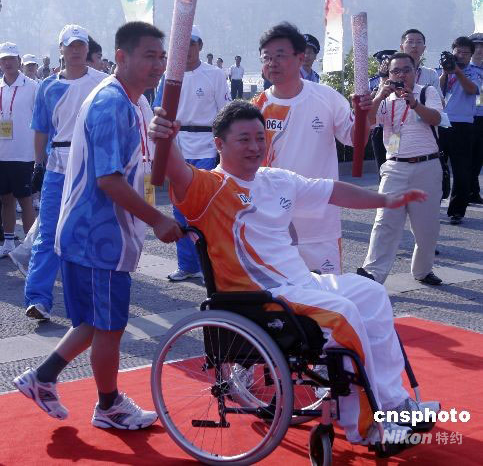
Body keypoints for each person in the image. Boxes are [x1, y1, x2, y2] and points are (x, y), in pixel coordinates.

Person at [149, 99, 439, 447]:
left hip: (302, 283)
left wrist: (386, 200)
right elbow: (176, 170)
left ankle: (393, 404)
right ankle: (366, 428)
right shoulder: (208, 188)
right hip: (263, 296)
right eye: (244, 139)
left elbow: (332, 191)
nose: (255, 146)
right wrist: (165, 138)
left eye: (260, 137)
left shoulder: (277, 179)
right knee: (343, 315)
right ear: (219, 144)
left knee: (372, 293)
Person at [13, 21, 182, 430]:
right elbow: (109, 180)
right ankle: (108, 406)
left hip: (99, 235)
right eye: (149, 56)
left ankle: (43, 377)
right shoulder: (112, 103)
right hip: (98, 237)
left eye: (162, 57)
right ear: (120, 57)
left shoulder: (130, 101)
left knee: (93, 320)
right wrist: (158, 219)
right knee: (110, 326)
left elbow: (137, 165)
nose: (158, 65)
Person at [253, 22, 372, 275]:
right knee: (278, 295)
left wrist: (365, 116)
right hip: (273, 222)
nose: (272, 63)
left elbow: (355, 140)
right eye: (267, 57)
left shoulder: (326, 98)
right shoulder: (256, 108)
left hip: (320, 223)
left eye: (280, 56)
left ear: (300, 57)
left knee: (326, 293)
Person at [24, 24, 106, 321]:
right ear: (61, 49)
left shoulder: (103, 83)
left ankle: (94, 297)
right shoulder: (48, 87)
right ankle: (38, 299)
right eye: (70, 45)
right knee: (49, 232)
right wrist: (38, 165)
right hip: (58, 165)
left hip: (92, 165)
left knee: (90, 231)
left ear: (87, 48)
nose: (75, 50)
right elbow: (40, 130)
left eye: (80, 45)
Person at [357, 53, 443, 286]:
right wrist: (378, 97)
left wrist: (414, 104)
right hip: (395, 167)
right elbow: (368, 121)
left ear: (416, 72)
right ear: (389, 75)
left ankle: (423, 270)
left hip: (427, 166)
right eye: (396, 71)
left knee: (426, 228)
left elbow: (436, 118)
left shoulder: (427, 92)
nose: (401, 75)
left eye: (406, 70)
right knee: (384, 222)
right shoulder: (384, 99)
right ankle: (372, 275)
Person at [153, 25, 230, 282]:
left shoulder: (214, 75)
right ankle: (187, 265)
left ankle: (213, 266)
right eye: (183, 44)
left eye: (192, 44)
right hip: (179, 146)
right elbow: (159, 110)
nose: (187, 49)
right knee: (180, 209)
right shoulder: (169, 76)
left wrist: (223, 149)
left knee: (206, 209)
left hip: (206, 145)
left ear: (200, 46)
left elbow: (225, 113)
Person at [0, 42, 37, 256]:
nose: (7, 63)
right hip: (2, 154)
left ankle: (30, 246)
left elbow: (41, 121)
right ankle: (8, 243)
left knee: (25, 200)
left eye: (11, 59)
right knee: (6, 199)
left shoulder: (32, 87)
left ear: (19, 61)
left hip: (24, 153)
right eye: (4, 59)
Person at [439, 36, 481, 225]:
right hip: (442, 122)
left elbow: (472, 90)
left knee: (461, 169)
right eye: (458, 52)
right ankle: (436, 201)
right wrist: (445, 73)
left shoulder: (475, 72)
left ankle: (456, 210)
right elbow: (438, 91)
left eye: (466, 53)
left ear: (471, 55)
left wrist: (457, 71)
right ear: (452, 52)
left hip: (463, 124)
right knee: (436, 166)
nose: (461, 56)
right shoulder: (443, 70)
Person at [469, 33, 483, 204]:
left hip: (482, 118)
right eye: (476, 46)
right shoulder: (464, 69)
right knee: (467, 156)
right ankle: (467, 190)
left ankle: (473, 191)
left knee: (479, 156)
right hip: (468, 117)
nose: (479, 50)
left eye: (482, 46)